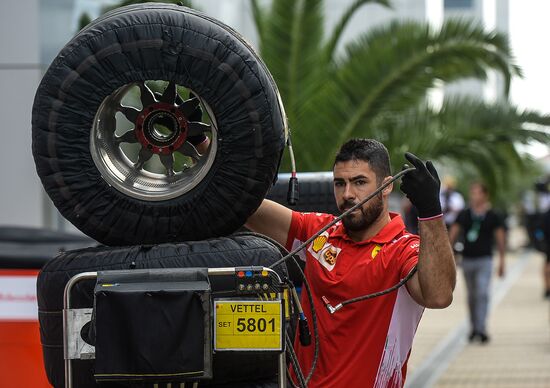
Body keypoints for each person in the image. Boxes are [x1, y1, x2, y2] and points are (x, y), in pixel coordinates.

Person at [245, 139, 456, 387]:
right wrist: (206, 149)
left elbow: (440, 296)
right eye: (339, 183)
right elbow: (245, 205)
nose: (347, 194)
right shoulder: (319, 233)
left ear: (386, 186)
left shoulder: (403, 249)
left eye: (359, 182)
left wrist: (430, 210)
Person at [449, 181, 506, 344]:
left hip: (485, 260)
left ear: (485, 195)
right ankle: (474, 327)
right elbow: (452, 235)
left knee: (482, 293)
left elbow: (500, 238)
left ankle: (481, 329)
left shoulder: (493, 215)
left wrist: (502, 261)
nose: (475, 196)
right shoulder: (465, 214)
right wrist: (449, 255)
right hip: (467, 260)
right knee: (472, 296)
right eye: (472, 193)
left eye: (478, 193)